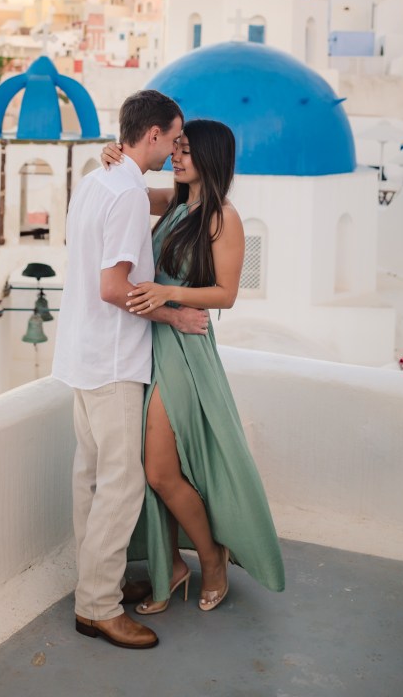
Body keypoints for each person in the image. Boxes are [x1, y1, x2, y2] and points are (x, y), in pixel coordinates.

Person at [101, 118, 285, 613]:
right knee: (151, 468)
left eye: (185, 150)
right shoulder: (176, 203)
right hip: (151, 341)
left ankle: (212, 559)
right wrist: (113, 159)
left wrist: (168, 293)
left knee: (160, 471)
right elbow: (132, 193)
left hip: (184, 348)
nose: (176, 158)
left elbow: (226, 293)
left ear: (209, 157)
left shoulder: (224, 217)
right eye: (175, 148)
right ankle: (173, 567)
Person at [52, 91, 210, 651]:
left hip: (81, 353)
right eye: (173, 138)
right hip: (114, 359)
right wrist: (175, 315)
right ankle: (98, 607)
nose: (175, 149)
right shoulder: (123, 194)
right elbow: (113, 287)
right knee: (121, 484)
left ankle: (101, 583)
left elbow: (162, 201)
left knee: (92, 479)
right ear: (152, 135)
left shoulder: (100, 182)